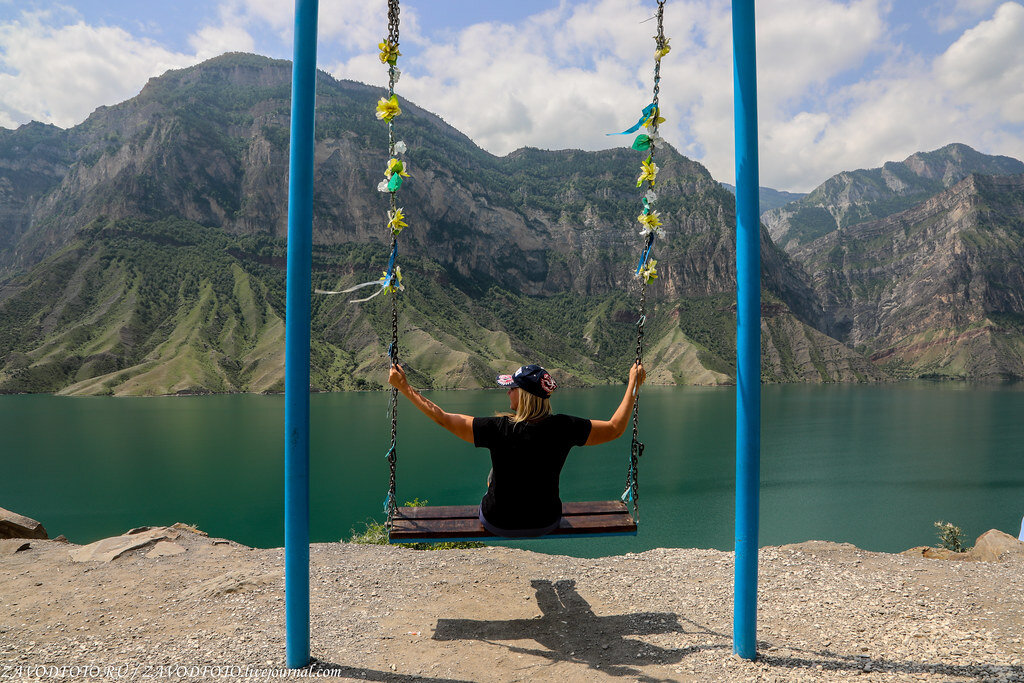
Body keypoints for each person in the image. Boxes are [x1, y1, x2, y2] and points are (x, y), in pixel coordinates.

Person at [387, 360, 646, 538]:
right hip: (547, 520)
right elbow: (614, 428)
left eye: (511, 388)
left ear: (523, 395)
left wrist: (405, 388)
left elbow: (443, 418)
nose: (507, 393)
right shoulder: (565, 427)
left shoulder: (497, 428)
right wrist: (633, 383)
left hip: (497, 521)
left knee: (493, 476)